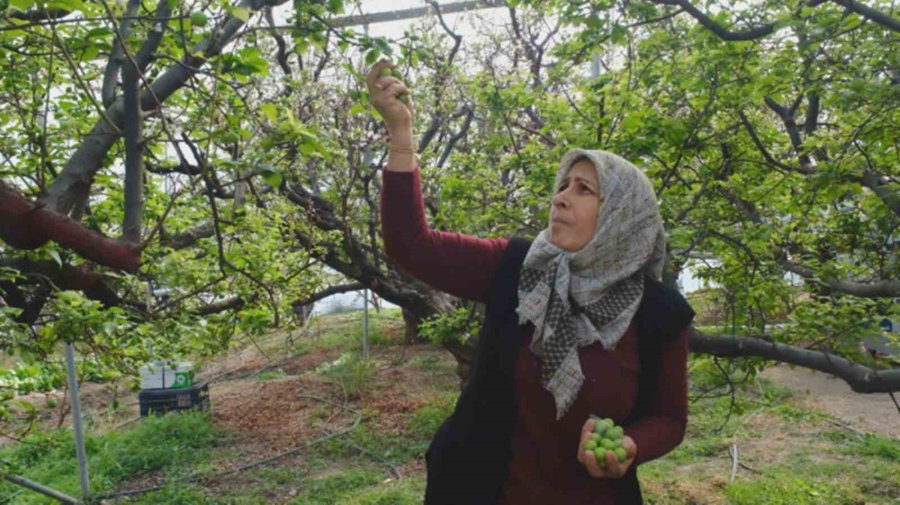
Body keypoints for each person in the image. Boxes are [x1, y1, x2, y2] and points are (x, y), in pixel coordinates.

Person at [366, 60, 695, 505]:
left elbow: (670, 418)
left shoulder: (659, 313)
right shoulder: (521, 268)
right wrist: (401, 135)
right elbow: (411, 246)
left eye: (583, 190)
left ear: (622, 217)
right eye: (564, 185)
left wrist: (631, 445)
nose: (560, 197)